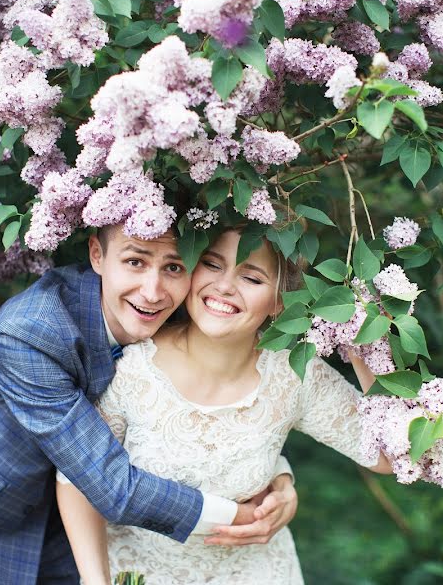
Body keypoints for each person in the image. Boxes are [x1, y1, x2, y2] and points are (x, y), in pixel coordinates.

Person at [0, 224, 298, 584]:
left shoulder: (179, 307)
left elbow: (207, 405)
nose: (152, 291)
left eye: (174, 266)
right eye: (135, 261)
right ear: (97, 255)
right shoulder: (29, 332)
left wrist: (278, 477)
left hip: (79, 519)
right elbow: (114, 486)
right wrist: (241, 518)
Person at [57, 228, 394, 584]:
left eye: (250, 277)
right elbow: (76, 479)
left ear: (280, 300)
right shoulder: (129, 368)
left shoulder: (295, 373)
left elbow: (389, 455)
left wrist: (362, 344)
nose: (224, 286)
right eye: (211, 265)